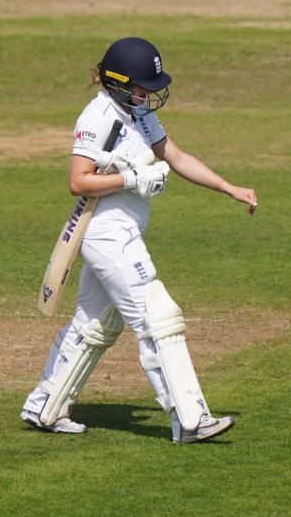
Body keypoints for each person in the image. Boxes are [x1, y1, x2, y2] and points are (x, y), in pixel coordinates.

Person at [21, 37, 258, 443]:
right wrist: (132, 178)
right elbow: (78, 182)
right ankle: (189, 419)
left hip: (124, 232)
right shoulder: (98, 117)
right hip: (106, 235)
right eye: (142, 86)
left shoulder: (139, 113)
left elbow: (175, 156)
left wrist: (229, 187)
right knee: (158, 317)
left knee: (97, 323)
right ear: (116, 83)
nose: (149, 93)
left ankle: (45, 406)